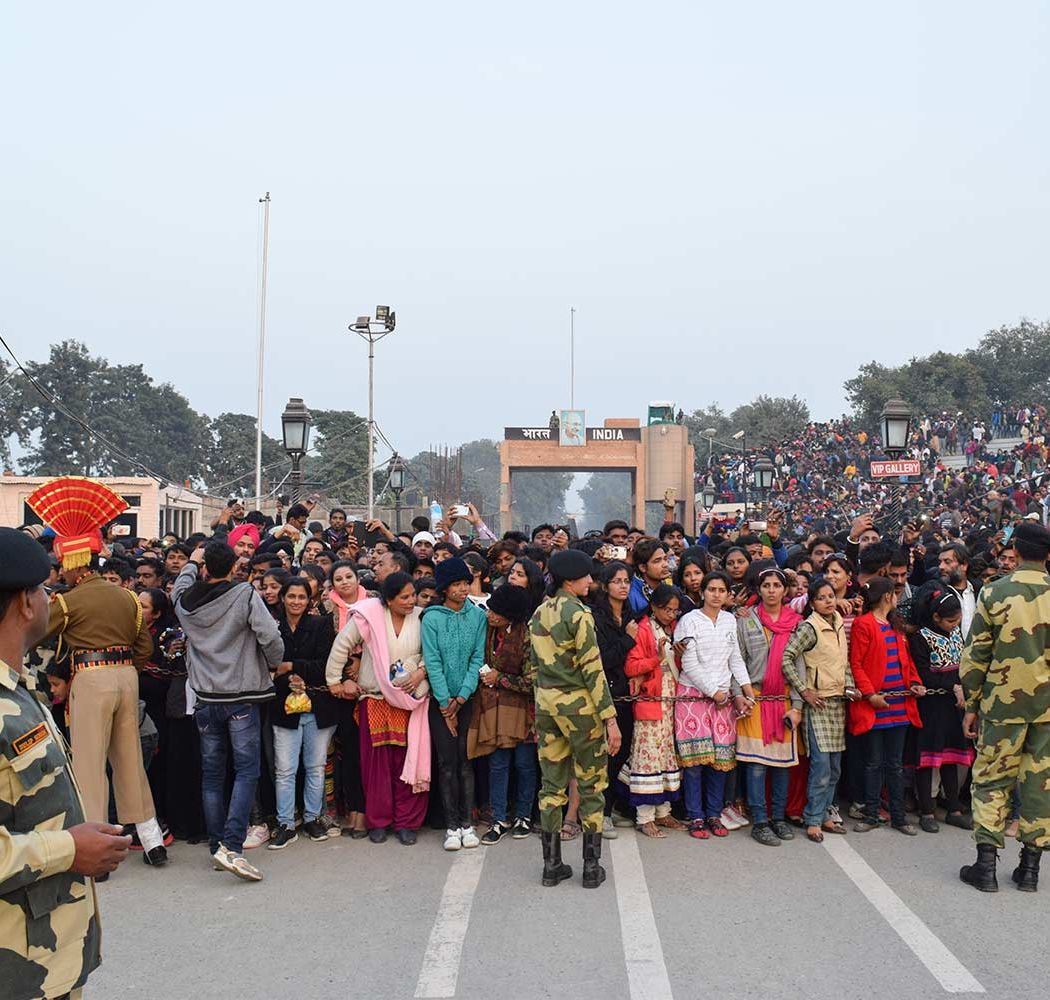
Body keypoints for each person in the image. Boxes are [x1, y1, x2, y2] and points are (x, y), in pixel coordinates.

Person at [0, 527, 132, 1000]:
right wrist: (67, 850)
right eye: (42, 588)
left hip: (48, 961)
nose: (49, 597)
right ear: (24, 603)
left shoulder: (17, 687)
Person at [40, 489, 169, 868]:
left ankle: (97, 848)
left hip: (91, 679)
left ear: (76, 561)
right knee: (129, 759)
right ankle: (151, 840)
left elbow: (38, 633)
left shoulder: (68, 601)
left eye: (64, 562)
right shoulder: (129, 597)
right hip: (127, 675)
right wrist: (127, 667)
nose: (61, 569)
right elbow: (143, 647)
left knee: (90, 764)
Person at [173, 541, 285, 881]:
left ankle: (216, 847)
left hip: (205, 696)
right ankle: (232, 847)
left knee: (212, 775)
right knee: (246, 771)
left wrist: (192, 562)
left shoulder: (184, 601)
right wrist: (272, 664)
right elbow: (271, 637)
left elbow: (179, 584)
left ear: (205, 567)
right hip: (241, 695)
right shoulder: (244, 595)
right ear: (234, 565)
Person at [959, 520, 1050, 893]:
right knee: (1041, 782)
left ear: (1016, 549)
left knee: (992, 779)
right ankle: (1030, 870)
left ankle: (985, 866)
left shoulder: (995, 592)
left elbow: (976, 654)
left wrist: (971, 703)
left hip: (1002, 703)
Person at [528, 549, 621, 889]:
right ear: (570, 580)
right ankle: (591, 868)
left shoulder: (540, 613)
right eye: (586, 577)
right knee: (592, 785)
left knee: (551, 786)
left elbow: (533, 668)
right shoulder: (579, 615)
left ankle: (551, 866)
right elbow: (592, 669)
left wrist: (540, 707)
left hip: (547, 707)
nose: (591, 582)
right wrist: (610, 719)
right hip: (581, 710)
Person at [325, 572, 431, 845]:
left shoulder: (422, 617)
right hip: (374, 699)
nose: (410, 601)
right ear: (388, 600)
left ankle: (407, 823)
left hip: (409, 702)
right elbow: (342, 645)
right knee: (376, 768)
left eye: (412, 595)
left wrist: (420, 672)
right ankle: (379, 821)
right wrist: (335, 681)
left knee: (406, 763)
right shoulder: (370, 615)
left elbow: (433, 654)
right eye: (404, 597)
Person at [674, 570, 754, 840]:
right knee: (695, 762)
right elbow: (688, 662)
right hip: (693, 696)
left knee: (721, 760)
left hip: (723, 699)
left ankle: (713, 813)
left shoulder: (730, 621)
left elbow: (735, 659)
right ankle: (695, 815)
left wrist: (746, 689)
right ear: (703, 592)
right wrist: (712, 691)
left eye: (722, 591)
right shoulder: (689, 621)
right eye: (712, 590)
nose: (717, 595)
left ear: (728, 594)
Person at [782, 578, 857, 843]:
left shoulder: (837, 622)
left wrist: (849, 686)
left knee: (835, 767)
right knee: (821, 766)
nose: (827, 601)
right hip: (818, 703)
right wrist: (804, 691)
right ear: (812, 602)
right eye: (821, 597)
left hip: (838, 702)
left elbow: (843, 662)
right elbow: (787, 658)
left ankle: (825, 814)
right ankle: (813, 819)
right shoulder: (809, 627)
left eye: (830, 596)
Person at [848, 577, 924, 837]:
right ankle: (871, 814)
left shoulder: (896, 625)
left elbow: (907, 662)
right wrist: (870, 695)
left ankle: (899, 817)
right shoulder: (863, 624)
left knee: (895, 764)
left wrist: (915, 683)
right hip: (876, 705)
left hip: (900, 705)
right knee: (873, 763)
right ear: (887, 597)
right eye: (894, 594)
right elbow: (856, 663)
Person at [734, 566, 803, 847]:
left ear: (785, 590)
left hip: (784, 700)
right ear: (759, 590)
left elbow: (800, 664)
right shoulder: (746, 620)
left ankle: (778, 818)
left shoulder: (796, 622)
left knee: (782, 766)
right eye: (766, 585)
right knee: (757, 767)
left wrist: (797, 705)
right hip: (755, 699)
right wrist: (739, 695)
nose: (772, 590)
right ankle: (760, 821)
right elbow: (736, 661)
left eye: (777, 585)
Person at [422, 558, 487, 851]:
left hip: (468, 699)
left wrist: (461, 697)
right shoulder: (431, 618)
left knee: (466, 763)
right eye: (457, 584)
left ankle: (467, 823)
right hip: (440, 702)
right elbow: (432, 661)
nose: (463, 589)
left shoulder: (478, 617)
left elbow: (478, 658)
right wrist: (446, 702)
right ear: (445, 588)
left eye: (466, 583)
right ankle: (451, 826)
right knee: (446, 763)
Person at [269, 578, 337, 849]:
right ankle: (285, 823)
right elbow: (267, 664)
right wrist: (284, 672)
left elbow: (325, 664)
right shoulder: (273, 628)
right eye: (291, 596)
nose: (296, 601)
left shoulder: (321, 625)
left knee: (315, 766)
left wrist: (291, 666)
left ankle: (311, 817)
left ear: (310, 600)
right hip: (283, 705)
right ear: (283, 598)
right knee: (284, 769)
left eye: (302, 597)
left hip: (318, 704)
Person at [467, 584, 538, 844]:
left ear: (511, 615)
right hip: (492, 710)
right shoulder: (484, 632)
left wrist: (500, 679)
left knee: (524, 765)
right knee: (497, 765)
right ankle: (498, 818)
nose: (490, 614)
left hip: (525, 713)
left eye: (497, 612)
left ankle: (523, 816)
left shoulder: (528, 636)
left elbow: (533, 681)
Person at [907, 586, 974, 834]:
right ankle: (926, 810)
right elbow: (923, 675)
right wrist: (952, 685)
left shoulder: (956, 635)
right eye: (951, 621)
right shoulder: (921, 638)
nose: (955, 625)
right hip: (932, 706)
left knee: (951, 757)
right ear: (936, 618)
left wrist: (962, 686)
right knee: (928, 760)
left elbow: (963, 663)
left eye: (958, 621)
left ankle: (954, 808)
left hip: (953, 706)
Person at [619, 584, 684, 838]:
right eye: (667, 609)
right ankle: (644, 816)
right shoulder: (643, 628)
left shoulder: (673, 628)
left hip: (670, 699)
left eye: (675, 611)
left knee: (667, 753)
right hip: (651, 698)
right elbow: (631, 667)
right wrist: (656, 658)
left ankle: (663, 811)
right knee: (648, 757)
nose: (671, 614)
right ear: (655, 607)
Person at [589, 561, 638, 837]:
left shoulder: (631, 615)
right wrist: (628, 640)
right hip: (604, 693)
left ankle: (614, 806)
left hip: (628, 695)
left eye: (627, 581)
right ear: (606, 585)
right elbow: (602, 659)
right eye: (617, 581)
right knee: (606, 755)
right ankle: (600, 813)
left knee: (623, 753)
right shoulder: (596, 617)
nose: (623, 586)